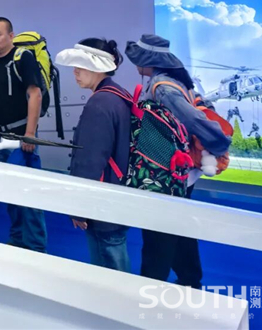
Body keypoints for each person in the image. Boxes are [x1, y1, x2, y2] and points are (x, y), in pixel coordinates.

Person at [125, 34, 231, 289]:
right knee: (179, 227)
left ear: (149, 60)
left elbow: (193, 119)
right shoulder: (176, 82)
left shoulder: (163, 88)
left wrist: (219, 143)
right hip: (179, 172)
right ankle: (190, 279)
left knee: (158, 233)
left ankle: (152, 287)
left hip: (165, 173)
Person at [0, 17, 46, 252]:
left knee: (29, 193)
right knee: (10, 192)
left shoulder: (23, 58)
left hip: (20, 138)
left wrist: (29, 133)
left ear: (11, 36)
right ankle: (17, 238)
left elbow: (35, 94)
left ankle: (35, 246)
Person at [55, 38, 131, 272]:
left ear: (96, 66)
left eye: (80, 66)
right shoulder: (118, 95)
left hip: (102, 203)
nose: (75, 72)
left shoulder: (100, 103)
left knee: (107, 267)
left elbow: (90, 160)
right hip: (117, 194)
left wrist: (80, 206)